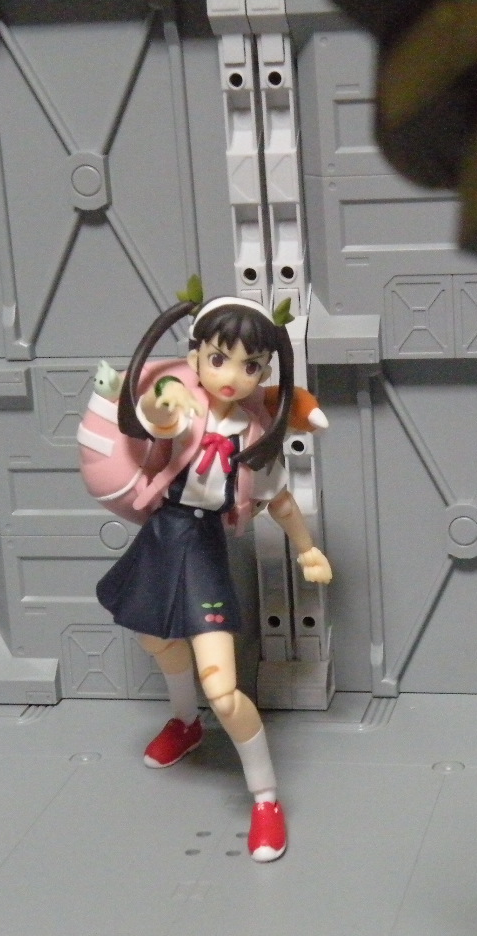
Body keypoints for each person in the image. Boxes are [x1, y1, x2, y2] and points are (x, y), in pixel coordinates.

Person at [96, 294, 332, 863]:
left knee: (223, 689)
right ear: (196, 356)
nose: (232, 375)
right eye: (219, 358)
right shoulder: (183, 404)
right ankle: (185, 722)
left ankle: (266, 798)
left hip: (202, 549)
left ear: (265, 373)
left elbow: (279, 502)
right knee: (155, 637)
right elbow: (156, 413)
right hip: (161, 538)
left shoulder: (255, 438)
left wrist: (307, 548)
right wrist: (158, 401)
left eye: (251, 365)